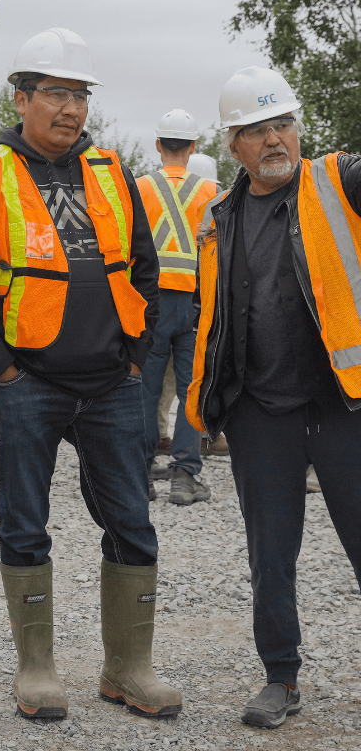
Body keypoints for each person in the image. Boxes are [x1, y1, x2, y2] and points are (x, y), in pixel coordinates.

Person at [0, 28, 181, 720]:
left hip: (113, 384)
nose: (70, 109)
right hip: (28, 385)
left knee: (133, 521)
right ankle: (36, 669)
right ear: (22, 98)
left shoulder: (111, 172)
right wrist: (2, 372)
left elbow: (145, 270)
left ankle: (128, 668)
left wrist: (135, 359)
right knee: (24, 524)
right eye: (55, 93)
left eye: (79, 95)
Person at [187, 65, 361, 729]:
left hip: (346, 405)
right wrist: (207, 405)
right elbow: (216, 318)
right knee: (271, 554)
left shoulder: (339, 180)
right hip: (260, 411)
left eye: (283, 124)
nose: (275, 140)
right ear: (234, 144)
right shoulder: (220, 215)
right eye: (257, 131)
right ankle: (280, 678)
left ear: (299, 128)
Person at [137, 110, 217, 503]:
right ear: (193, 146)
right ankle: (184, 476)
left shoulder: (138, 188)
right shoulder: (211, 192)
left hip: (150, 303)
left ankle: (141, 474)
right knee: (191, 388)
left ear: (158, 145)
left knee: (146, 387)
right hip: (195, 303)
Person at [185, 153, 230, 459]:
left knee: (163, 381)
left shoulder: (157, 190)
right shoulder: (217, 202)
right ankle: (206, 437)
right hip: (200, 294)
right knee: (201, 370)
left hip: (166, 294)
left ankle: (161, 436)